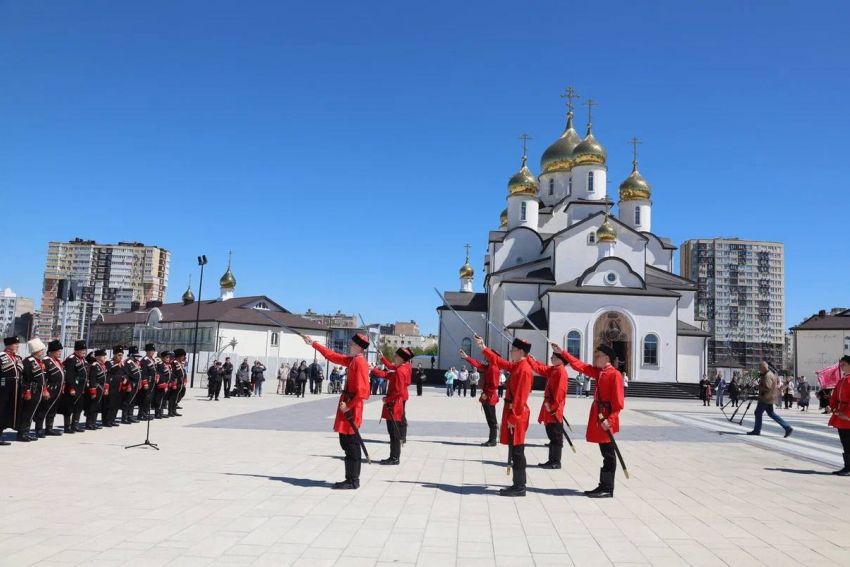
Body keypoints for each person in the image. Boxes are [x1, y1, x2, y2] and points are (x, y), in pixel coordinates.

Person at [556, 342, 625, 498]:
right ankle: (604, 485)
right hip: (599, 415)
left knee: (608, 452)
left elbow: (619, 402)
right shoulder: (600, 372)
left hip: (606, 416)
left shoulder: (614, 374)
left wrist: (611, 419)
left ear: (606, 357)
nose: (595, 358)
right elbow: (580, 366)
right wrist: (563, 353)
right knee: (604, 451)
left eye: (598, 356)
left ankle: (607, 488)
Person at [304, 332, 371, 489]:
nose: (350, 346)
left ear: (360, 348)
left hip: (351, 408)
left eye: (353, 345)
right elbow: (333, 356)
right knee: (346, 442)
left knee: (351, 444)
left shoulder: (360, 363)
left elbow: (363, 392)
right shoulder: (354, 360)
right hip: (347, 405)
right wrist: (313, 344)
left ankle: (353, 480)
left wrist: (349, 406)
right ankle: (350, 478)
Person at [475, 335, 534, 497]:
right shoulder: (518, 365)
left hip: (517, 414)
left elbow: (521, 397)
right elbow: (499, 361)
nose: (511, 352)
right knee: (515, 449)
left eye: (513, 350)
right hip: (513, 410)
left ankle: (520, 486)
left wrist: (513, 418)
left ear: (521, 352)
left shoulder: (524, 369)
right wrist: (483, 347)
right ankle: (517, 484)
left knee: (518, 450)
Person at [371, 347, 414, 465]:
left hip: (395, 403)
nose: (394, 357)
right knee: (394, 430)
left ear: (401, 358)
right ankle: (394, 456)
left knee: (394, 431)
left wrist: (387, 399)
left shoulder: (400, 371)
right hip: (396, 402)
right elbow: (389, 373)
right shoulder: (402, 367)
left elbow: (398, 391)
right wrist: (375, 368)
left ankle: (394, 457)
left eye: (396, 356)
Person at [527, 349, 568, 469]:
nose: (551, 359)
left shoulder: (561, 372)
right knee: (552, 434)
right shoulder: (555, 369)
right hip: (549, 406)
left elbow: (560, 392)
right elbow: (541, 368)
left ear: (561, 360)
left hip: (553, 408)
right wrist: (531, 359)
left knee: (555, 436)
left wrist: (553, 407)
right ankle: (552, 460)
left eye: (554, 357)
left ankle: (556, 461)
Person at [461, 349, 499, 446]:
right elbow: (477, 364)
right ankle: (492, 439)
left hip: (489, 397)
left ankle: (493, 440)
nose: (486, 357)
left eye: (488, 356)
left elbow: (494, 385)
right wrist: (466, 357)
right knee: (490, 418)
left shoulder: (494, 368)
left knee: (492, 419)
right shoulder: (489, 367)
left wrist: (486, 394)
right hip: (487, 397)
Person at [747, 361, 793, 438]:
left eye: (760, 368)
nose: (759, 370)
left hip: (765, 398)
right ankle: (787, 427)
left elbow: (767, 388)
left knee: (758, 412)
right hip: (770, 398)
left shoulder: (767, 376)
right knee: (771, 413)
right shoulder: (770, 374)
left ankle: (757, 430)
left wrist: (757, 385)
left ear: (763, 367)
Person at [32, 340, 65, 437]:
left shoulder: (58, 361)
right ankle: (38, 429)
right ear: (51, 352)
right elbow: (43, 377)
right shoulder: (45, 361)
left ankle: (49, 428)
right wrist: (45, 390)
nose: (60, 353)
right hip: (50, 387)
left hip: (58, 388)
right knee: (44, 409)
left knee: (53, 409)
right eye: (58, 351)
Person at [17, 338, 47, 442]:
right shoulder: (28, 362)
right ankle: (22, 433)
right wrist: (26, 391)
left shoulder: (39, 362)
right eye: (41, 350)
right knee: (27, 412)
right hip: (31, 390)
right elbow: (24, 378)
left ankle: (27, 431)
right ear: (35, 351)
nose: (43, 352)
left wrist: (44, 389)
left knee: (32, 412)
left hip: (38, 390)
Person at [57, 340, 88, 434]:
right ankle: (67, 426)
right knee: (69, 408)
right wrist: (71, 388)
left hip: (81, 387)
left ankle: (75, 425)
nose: (84, 352)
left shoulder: (83, 359)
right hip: (74, 387)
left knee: (78, 407)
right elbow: (69, 375)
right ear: (77, 350)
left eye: (84, 350)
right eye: (82, 350)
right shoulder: (71, 359)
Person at [827, 355, 850, 475]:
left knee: (848, 441)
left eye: (844, 364)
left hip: (847, 415)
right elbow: (835, 396)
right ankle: (847, 466)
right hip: (841, 413)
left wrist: (848, 414)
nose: (841, 367)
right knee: (845, 441)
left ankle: (848, 468)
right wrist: (832, 406)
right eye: (841, 364)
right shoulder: (841, 380)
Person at [0, 336, 23, 444]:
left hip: (16, 387)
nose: (17, 345)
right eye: (15, 344)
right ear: (8, 345)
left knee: (10, 411)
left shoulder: (18, 357)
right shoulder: (2, 356)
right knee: (1, 410)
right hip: (4, 386)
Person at [102, 345, 126, 428]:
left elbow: (125, 374)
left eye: (121, 355)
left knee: (116, 404)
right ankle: (106, 420)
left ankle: (112, 419)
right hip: (111, 387)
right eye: (119, 355)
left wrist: (125, 379)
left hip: (119, 388)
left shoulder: (122, 364)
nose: (120, 357)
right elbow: (107, 374)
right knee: (109, 404)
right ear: (114, 355)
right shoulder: (109, 363)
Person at [85, 350, 107, 429]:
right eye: (103, 356)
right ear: (98, 357)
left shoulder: (102, 365)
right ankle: (89, 423)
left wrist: (106, 388)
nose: (105, 357)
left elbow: (105, 378)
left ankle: (93, 422)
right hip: (96, 388)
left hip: (101, 388)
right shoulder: (95, 365)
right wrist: (93, 391)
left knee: (97, 406)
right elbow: (92, 378)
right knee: (92, 406)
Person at [121, 345, 142, 424]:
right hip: (131, 384)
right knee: (127, 401)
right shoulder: (127, 362)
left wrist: (140, 382)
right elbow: (127, 374)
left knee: (133, 401)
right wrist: (128, 385)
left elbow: (140, 373)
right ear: (131, 355)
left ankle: (130, 416)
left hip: (136, 384)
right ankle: (124, 417)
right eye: (136, 356)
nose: (137, 357)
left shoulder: (137, 363)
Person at [137, 344, 157, 421]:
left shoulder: (152, 360)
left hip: (152, 380)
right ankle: (141, 414)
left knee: (149, 398)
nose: (152, 353)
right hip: (147, 380)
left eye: (153, 351)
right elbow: (144, 372)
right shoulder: (145, 360)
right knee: (144, 398)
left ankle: (146, 413)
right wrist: (145, 382)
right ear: (147, 351)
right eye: (151, 351)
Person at [153, 351, 172, 418]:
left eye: (169, 357)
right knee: (159, 399)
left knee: (164, 399)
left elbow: (169, 375)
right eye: (166, 357)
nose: (168, 358)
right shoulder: (160, 365)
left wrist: (169, 383)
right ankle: (157, 412)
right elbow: (160, 375)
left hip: (167, 384)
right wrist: (164, 385)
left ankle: (161, 411)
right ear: (163, 358)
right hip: (162, 385)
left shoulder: (168, 365)